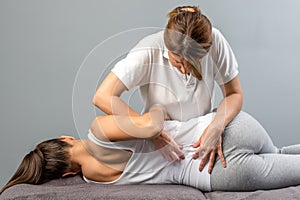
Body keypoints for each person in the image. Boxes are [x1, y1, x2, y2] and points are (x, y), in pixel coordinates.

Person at [2, 107, 300, 194]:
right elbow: (154, 117)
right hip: (229, 127)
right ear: (65, 138)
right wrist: (154, 123)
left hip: (209, 172)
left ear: (66, 172)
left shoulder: (94, 177)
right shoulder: (99, 130)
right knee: (280, 151)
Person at [92, 5, 243, 173]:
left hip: (203, 135)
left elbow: (234, 93)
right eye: (178, 62)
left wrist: (217, 126)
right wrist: (149, 129)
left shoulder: (216, 41)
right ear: (167, 46)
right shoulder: (148, 50)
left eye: (194, 64)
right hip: (163, 141)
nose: (185, 70)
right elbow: (102, 96)